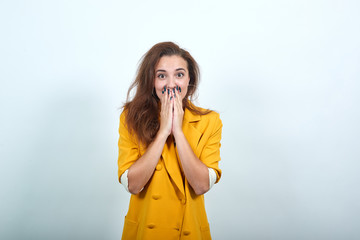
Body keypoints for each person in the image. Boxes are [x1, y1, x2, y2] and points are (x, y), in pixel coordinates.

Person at [117, 42, 222, 240]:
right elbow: (132, 184)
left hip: (188, 232)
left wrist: (178, 133)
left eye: (179, 74)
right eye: (162, 75)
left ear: (189, 79)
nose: (171, 84)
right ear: (151, 80)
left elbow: (201, 186)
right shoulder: (130, 117)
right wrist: (163, 131)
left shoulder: (210, 121)